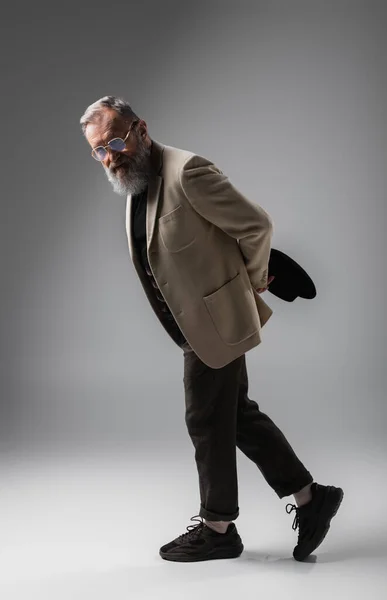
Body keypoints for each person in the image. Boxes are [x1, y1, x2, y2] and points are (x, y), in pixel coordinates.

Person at [80, 96, 343, 563]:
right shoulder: (135, 181)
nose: (110, 156)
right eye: (100, 150)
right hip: (192, 325)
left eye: (116, 141)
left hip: (213, 323)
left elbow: (255, 224)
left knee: (205, 419)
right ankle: (310, 497)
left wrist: (258, 275)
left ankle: (218, 525)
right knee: (235, 414)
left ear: (141, 128)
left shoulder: (188, 173)